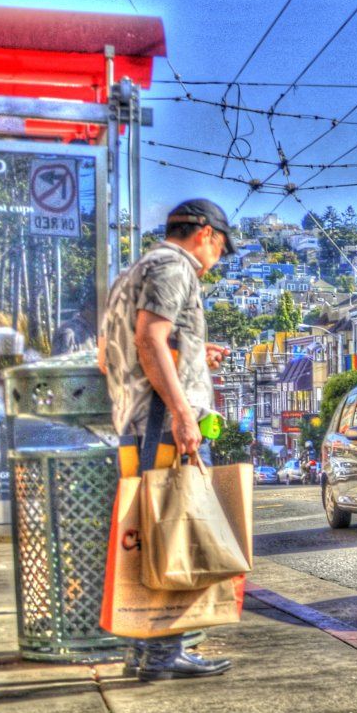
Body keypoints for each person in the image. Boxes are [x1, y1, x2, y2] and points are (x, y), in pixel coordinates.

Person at [99, 199, 238, 680]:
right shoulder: (175, 267)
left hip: (134, 425)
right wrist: (182, 414)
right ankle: (163, 653)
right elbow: (149, 339)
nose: (218, 257)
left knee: (150, 534)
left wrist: (198, 354)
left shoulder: (132, 273)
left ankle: (145, 651)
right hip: (162, 427)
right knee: (176, 532)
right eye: (221, 245)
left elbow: (111, 355)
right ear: (205, 233)